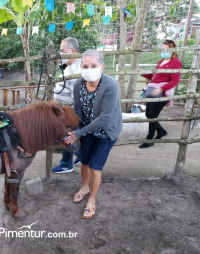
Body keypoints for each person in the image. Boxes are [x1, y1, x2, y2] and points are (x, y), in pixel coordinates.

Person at [64, 49, 122, 219]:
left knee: (95, 168)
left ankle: (92, 200)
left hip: (106, 132)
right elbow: (77, 109)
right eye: (85, 66)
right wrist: (73, 127)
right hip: (87, 130)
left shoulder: (110, 86)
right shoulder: (78, 85)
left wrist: (78, 133)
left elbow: (105, 118)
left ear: (102, 67)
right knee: (84, 162)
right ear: (81, 67)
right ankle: (84, 187)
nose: (89, 69)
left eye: (93, 66)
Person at [139, 39, 182, 148]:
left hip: (163, 93)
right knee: (148, 114)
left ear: (172, 50)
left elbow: (175, 81)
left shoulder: (176, 62)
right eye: (162, 49)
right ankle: (161, 131)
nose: (163, 51)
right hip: (153, 91)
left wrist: (161, 89)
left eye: (166, 49)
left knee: (152, 116)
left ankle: (149, 139)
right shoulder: (161, 61)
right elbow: (154, 76)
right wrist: (142, 72)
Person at [52, 37, 82, 174]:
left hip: (68, 112)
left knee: (68, 135)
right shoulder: (72, 67)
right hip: (65, 110)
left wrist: (66, 116)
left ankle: (66, 164)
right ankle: (80, 157)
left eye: (62, 51)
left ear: (73, 51)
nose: (60, 54)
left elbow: (75, 100)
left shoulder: (76, 71)